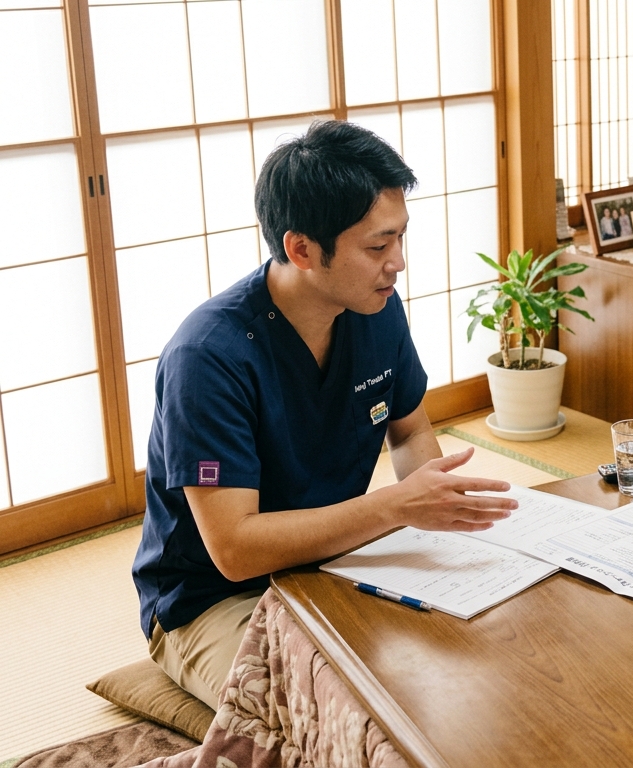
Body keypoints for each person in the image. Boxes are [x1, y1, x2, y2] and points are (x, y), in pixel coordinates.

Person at [131, 121, 518, 708]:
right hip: (213, 599)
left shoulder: (374, 308)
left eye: (400, 238)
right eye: (377, 246)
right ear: (301, 248)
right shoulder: (208, 357)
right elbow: (234, 550)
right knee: (336, 709)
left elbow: (410, 428)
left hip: (334, 561)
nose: (399, 264)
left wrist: (435, 513)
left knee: (469, 649)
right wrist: (393, 507)